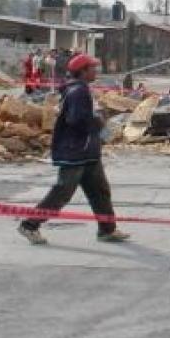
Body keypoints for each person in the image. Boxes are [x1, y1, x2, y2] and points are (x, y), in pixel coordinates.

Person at [18, 54, 130, 246]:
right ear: (83, 71)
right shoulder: (78, 91)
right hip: (76, 152)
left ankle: (107, 229)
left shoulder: (81, 89)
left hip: (88, 152)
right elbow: (75, 119)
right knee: (62, 192)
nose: (96, 71)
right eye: (93, 68)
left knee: (100, 191)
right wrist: (98, 122)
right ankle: (30, 225)